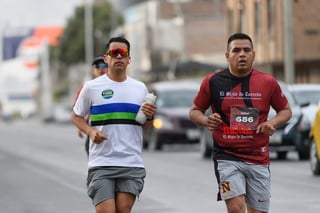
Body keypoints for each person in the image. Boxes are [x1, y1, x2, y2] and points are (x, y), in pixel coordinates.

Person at [189, 33, 292, 213]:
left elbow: (286, 110)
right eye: (236, 50)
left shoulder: (268, 82)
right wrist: (206, 120)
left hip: (258, 158)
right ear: (227, 56)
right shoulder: (212, 81)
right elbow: (194, 111)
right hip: (227, 156)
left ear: (254, 54)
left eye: (246, 50)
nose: (242, 54)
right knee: (236, 209)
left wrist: (272, 123)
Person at [72, 36, 157, 213]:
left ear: (129, 59)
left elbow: (145, 126)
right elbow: (76, 116)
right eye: (114, 53)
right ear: (106, 58)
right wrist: (90, 132)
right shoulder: (91, 87)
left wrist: (150, 118)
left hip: (131, 163)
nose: (119, 57)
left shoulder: (140, 88)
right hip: (101, 163)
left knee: (123, 210)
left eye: (123, 53)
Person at [74, 56, 108, 156]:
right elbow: (78, 113)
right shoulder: (87, 88)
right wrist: (81, 127)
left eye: (104, 65)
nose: (101, 69)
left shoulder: (117, 85)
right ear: (93, 70)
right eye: (97, 66)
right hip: (94, 131)